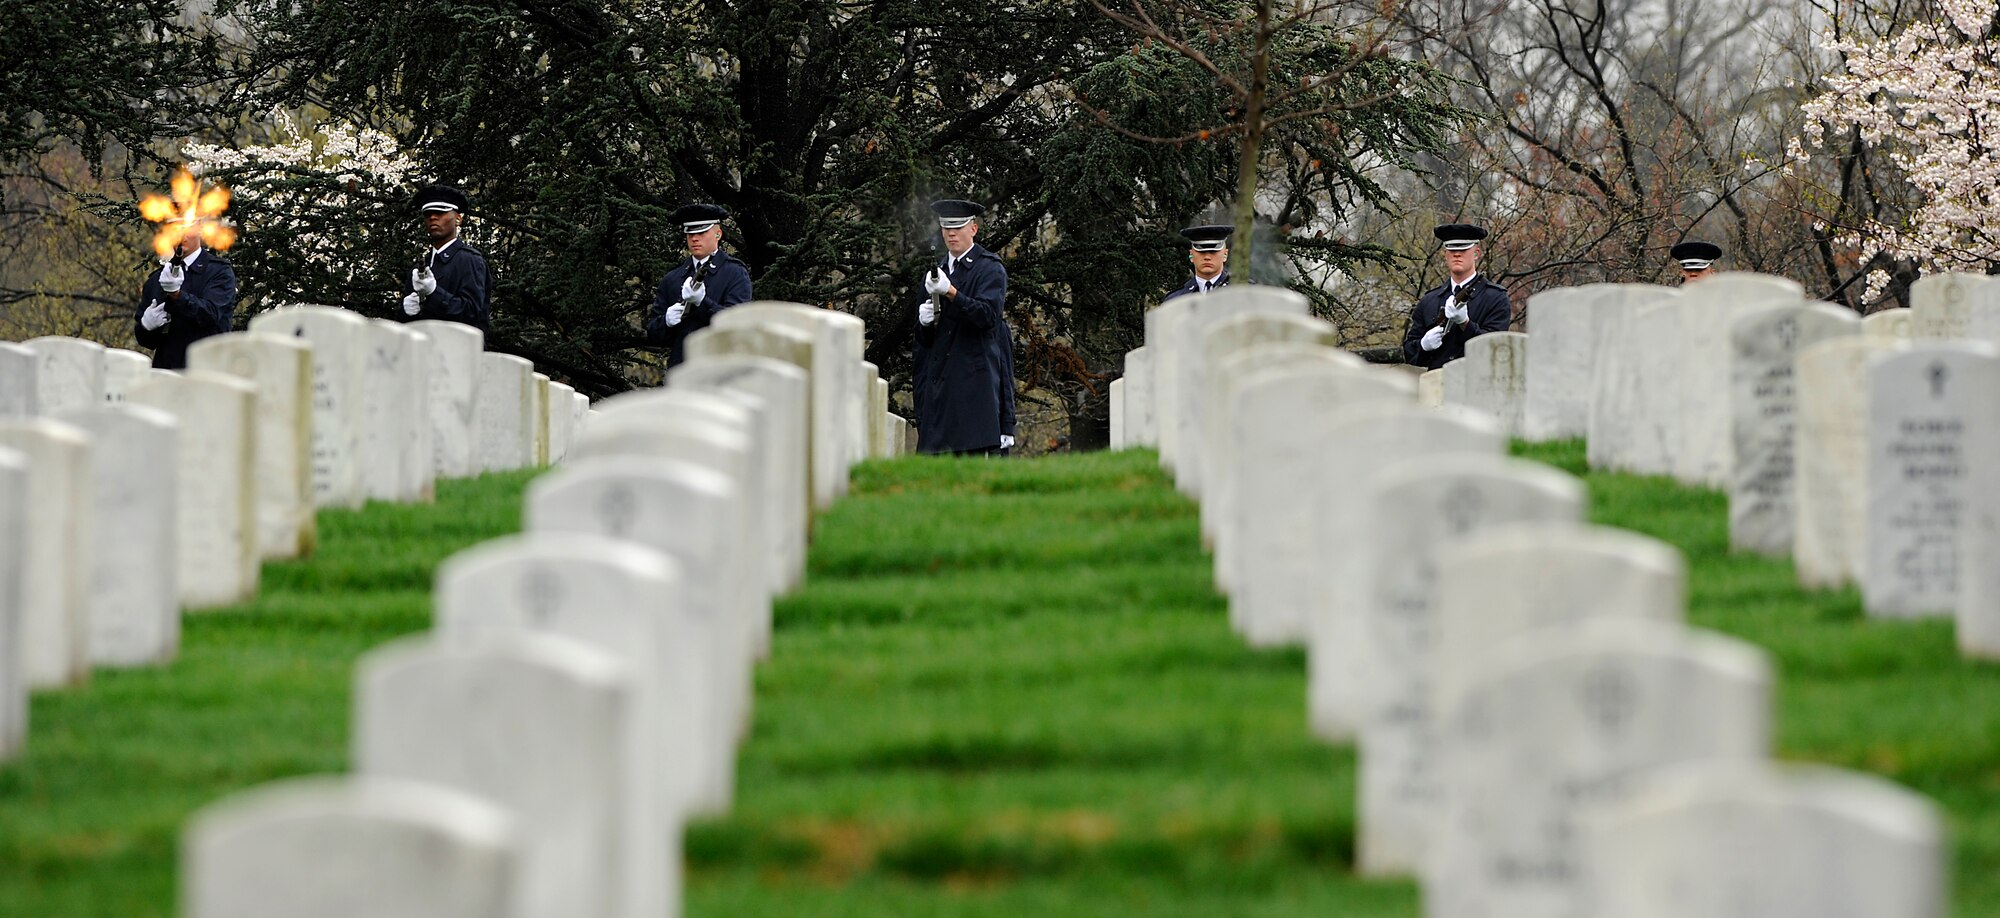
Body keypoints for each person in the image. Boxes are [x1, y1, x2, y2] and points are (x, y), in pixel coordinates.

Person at [912, 199, 1013, 455]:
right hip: (939, 397)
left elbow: (987, 316)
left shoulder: (989, 268)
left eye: (958, 227)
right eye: (946, 228)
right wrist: (924, 324)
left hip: (972, 396)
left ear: (973, 229)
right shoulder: (936, 272)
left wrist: (952, 293)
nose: (951, 233)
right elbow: (926, 345)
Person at [646, 203, 753, 367]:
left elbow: (737, 327)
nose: (695, 238)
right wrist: (665, 321)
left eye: (702, 232)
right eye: (690, 234)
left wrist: (703, 303)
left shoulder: (734, 273)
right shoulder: (674, 277)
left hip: (721, 370)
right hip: (681, 371)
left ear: (718, 234)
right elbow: (653, 333)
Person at [1401, 222, 1511, 370]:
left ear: (1476, 253)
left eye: (1464, 249)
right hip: (1437, 385)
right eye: (1452, 250)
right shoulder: (1429, 300)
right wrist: (1423, 345)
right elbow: (1409, 352)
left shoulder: (1495, 298)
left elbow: (1496, 350)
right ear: (1445, 254)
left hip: (1478, 385)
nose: (1457, 254)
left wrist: (1465, 324)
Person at [134, 224, 238, 369]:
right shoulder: (157, 280)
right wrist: (146, 326)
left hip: (208, 371)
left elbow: (210, 313)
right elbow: (147, 342)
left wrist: (177, 295)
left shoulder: (218, 272)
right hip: (167, 374)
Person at [398, 184, 491, 331]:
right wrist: (406, 313)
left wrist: (434, 293)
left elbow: (472, 313)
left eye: (440, 213)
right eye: (428, 214)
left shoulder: (469, 260)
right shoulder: (418, 268)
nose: (433, 217)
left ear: (458, 219)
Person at [1162, 224, 1233, 301]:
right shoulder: (1175, 300)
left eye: (1213, 252)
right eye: (1201, 252)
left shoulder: (1240, 293)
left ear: (1225, 254)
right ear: (1191, 255)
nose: (1207, 257)